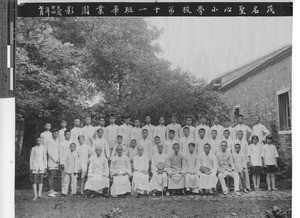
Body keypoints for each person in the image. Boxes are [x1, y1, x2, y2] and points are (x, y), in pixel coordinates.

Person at [45, 128, 60, 197]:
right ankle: (50, 191)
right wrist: (55, 159)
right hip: (52, 161)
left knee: (53, 176)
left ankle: (52, 190)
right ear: (52, 134)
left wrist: (59, 158)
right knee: (51, 176)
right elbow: (49, 152)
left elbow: (58, 151)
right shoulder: (49, 141)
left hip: (57, 161)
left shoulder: (57, 141)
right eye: (55, 133)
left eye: (57, 133)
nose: (56, 135)